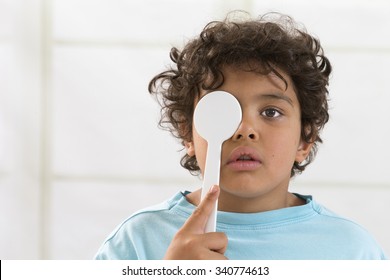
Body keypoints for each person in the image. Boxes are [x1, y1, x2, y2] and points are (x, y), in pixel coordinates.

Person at [94, 12, 387, 260]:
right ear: (188, 133)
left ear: (305, 139)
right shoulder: (138, 241)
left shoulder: (352, 251)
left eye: (271, 112)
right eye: (222, 110)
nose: (243, 129)